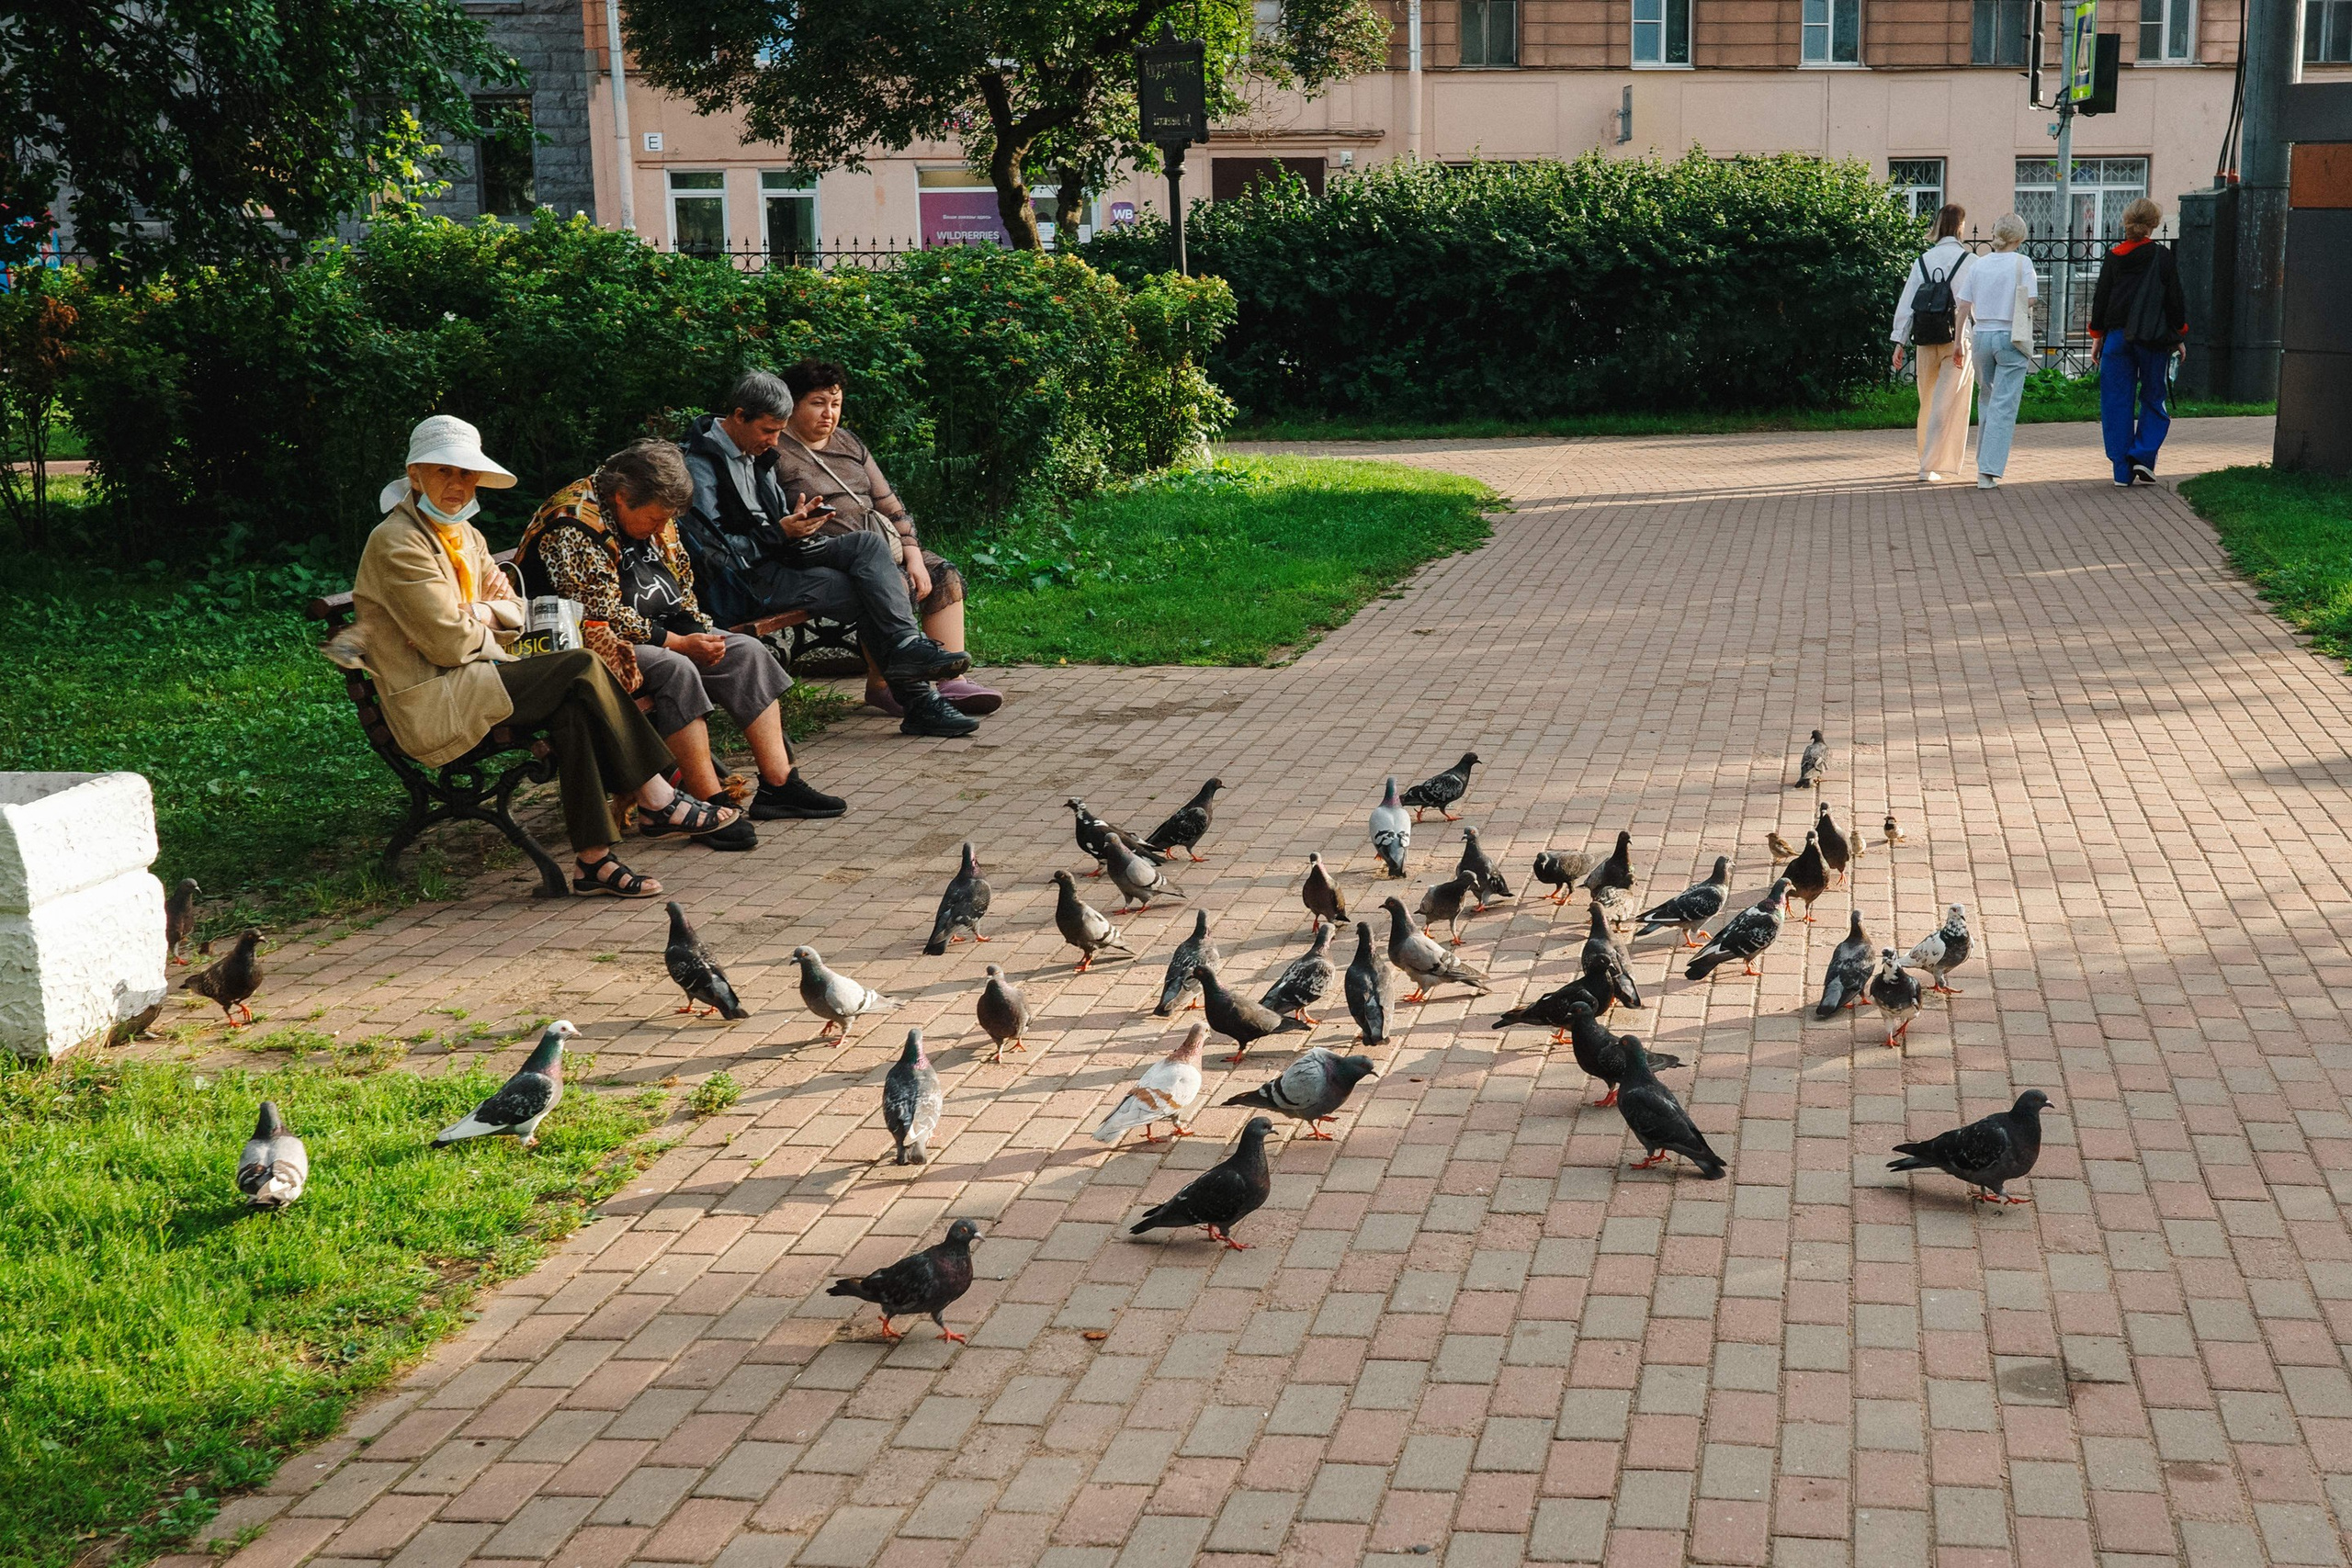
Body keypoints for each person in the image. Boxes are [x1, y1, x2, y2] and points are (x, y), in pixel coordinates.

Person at [353, 417, 745, 898]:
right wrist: (489, 617)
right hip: (439, 698)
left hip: (481, 675)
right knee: (581, 666)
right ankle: (658, 796)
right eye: (443, 471)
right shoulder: (398, 541)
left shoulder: (464, 534)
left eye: (467, 473)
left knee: (574, 704)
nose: (457, 484)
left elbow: (516, 610)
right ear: (415, 475)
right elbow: (449, 645)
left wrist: (479, 614)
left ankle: (593, 862)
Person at [516, 439, 847, 835]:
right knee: (675, 668)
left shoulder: (655, 508)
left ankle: (779, 786)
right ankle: (711, 803)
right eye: (655, 520)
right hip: (585, 645)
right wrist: (676, 642)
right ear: (622, 497)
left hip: (652, 630)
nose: (661, 529)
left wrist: (696, 632)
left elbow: (681, 584)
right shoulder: (572, 524)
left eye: (666, 521)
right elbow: (600, 613)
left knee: (745, 652)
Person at [675, 369, 987, 739]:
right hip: (745, 583)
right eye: (769, 431)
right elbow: (715, 556)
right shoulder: (700, 465)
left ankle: (907, 649)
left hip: (781, 556)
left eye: (779, 431)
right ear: (739, 416)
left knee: (867, 545)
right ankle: (919, 700)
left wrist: (798, 521)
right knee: (873, 590)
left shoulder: (753, 450)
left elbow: (769, 522)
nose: (775, 441)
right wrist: (780, 532)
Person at [765, 361, 1001, 722]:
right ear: (792, 404)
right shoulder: (775, 449)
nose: (829, 413)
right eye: (818, 403)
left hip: (881, 545)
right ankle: (884, 685)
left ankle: (951, 681)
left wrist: (913, 555)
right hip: (830, 555)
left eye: (836, 404)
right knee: (894, 585)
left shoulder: (849, 442)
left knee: (943, 573)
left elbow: (890, 504)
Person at [2088, 197, 2188, 487]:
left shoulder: (2114, 256)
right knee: (2153, 396)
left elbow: (2101, 299)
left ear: (2126, 222)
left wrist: (2097, 337)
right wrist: (2179, 334)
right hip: (2152, 338)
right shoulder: (2162, 256)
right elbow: (2174, 300)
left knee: (2115, 401)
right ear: (2154, 224)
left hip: (2116, 338)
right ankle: (2143, 456)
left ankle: (2121, 471)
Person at [1889, 203, 1975, 483]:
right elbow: (1973, 306)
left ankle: (1926, 459)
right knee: (1946, 404)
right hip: (1957, 342)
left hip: (1925, 340)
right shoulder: (1969, 261)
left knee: (1927, 402)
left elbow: (1908, 304)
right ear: (1961, 226)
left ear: (1938, 225)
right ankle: (1930, 465)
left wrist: (1899, 341)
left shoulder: (1923, 261)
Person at [1952, 213, 2039, 491]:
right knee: (2004, 403)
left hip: (1981, 336)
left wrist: (1958, 342)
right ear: (2020, 237)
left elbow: (1963, 306)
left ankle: (1983, 462)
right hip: (2011, 337)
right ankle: (1988, 471)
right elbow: (2031, 299)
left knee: (1987, 398)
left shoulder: (1978, 264)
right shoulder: (2023, 263)